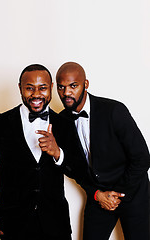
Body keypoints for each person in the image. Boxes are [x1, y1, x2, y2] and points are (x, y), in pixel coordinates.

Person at [0, 64, 72, 240]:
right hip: (13, 226)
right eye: (29, 88)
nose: (36, 94)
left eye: (42, 88)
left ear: (50, 87)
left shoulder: (65, 124)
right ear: (20, 88)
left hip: (56, 226)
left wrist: (58, 153)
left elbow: (79, 169)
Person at [56, 62, 150, 240]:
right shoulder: (61, 122)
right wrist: (97, 194)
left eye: (73, 86)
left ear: (86, 84)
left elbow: (142, 158)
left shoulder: (114, 110)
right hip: (98, 195)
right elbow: (73, 168)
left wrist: (116, 195)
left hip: (132, 191)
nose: (66, 93)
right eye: (61, 87)